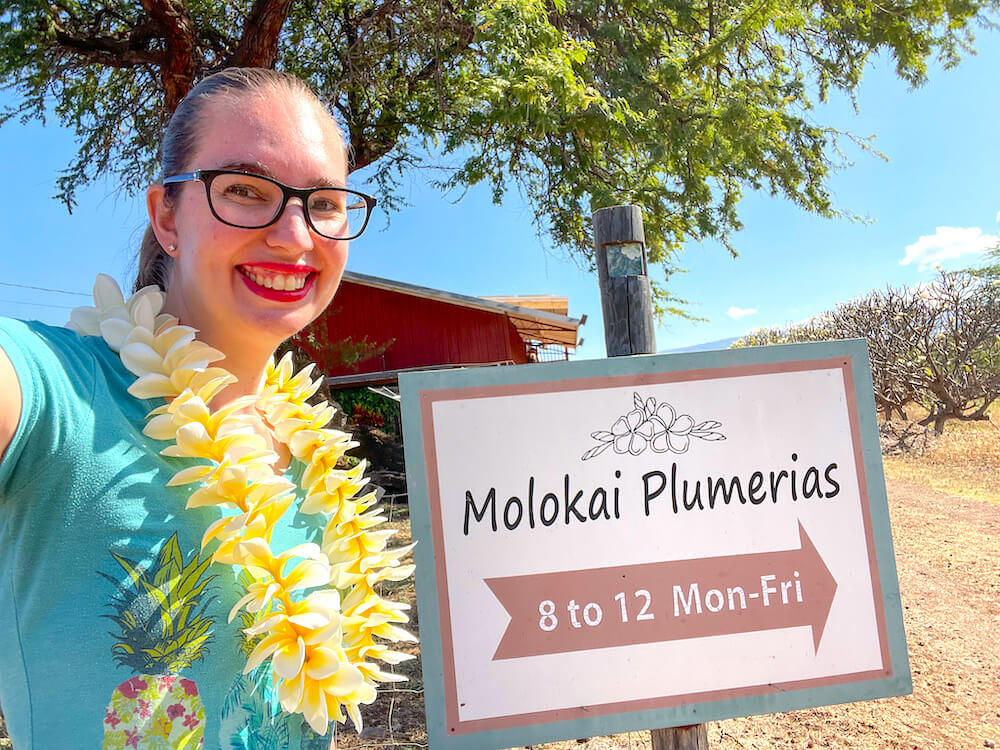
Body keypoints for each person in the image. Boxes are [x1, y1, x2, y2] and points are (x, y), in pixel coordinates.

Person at [0, 67, 413, 749]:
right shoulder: (58, 392)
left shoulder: (316, 454)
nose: (294, 235)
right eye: (245, 190)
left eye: (326, 203)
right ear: (166, 215)